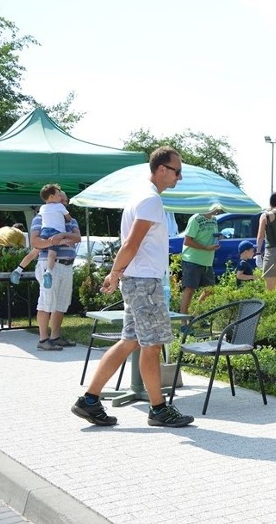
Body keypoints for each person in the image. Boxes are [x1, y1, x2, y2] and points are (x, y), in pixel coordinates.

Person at [71, 146, 194, 428]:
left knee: (130, 341)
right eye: (177, 171)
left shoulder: (140, 196)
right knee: (151, 345)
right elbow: (132, 243)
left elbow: (133, 243)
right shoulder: (151, 200)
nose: (180, 177)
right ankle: (159, 409)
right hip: (144, 282)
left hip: (138, 280)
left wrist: (119, 274)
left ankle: (89, 400)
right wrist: (115, 273)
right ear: (161, 169)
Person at [29, 189, 81, 351]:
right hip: (49, 265)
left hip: (67, 265)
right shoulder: (40, 218)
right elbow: (35, 242)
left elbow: (77, 237)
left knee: (62, 303)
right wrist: (57, 241)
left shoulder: (71, 221)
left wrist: (62, 236)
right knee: (46, 302)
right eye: (61, 200)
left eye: (65, 201)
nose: (64, 203)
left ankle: (55, 336)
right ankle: (43, 339)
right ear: (52, 200)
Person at [178, 203, 222, 314]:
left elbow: (209, 235)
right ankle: (184, 322)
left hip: (207, 261)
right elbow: (187, 241)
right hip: (192, 260)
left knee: (209, 290)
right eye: (216, 206)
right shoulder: (195, 219)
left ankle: (196, 314)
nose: (218, 209)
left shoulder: (214, 220)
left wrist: (217, 237)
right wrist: (206, 248)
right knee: (189, 290)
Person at [36, 184, 75, 289]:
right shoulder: (59, 206)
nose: (61, 198)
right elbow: (68, 218)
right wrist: (68, 219)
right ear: (52, 197)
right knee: (52, 254)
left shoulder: (42, 208)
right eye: (59, 196)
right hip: (56, 231)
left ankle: (20, 268)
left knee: (38, 249)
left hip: (45, 231)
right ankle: (48, 271)